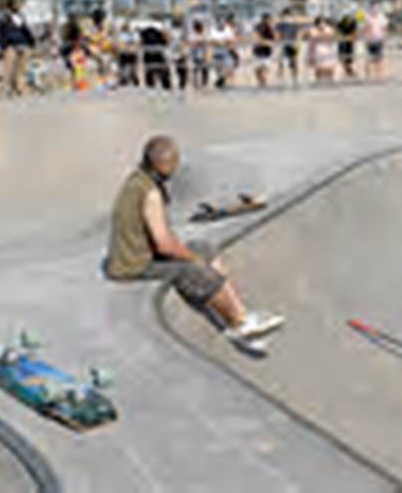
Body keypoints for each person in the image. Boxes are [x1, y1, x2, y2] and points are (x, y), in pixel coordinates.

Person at [105, 136, 285, 347]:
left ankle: (241, 312)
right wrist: (194, 259)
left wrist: (196, 253)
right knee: (192, 268)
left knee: (203, 247)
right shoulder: (151, 193)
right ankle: (239, 324)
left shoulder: (137, 180)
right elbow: (164, 245)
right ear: (168, 166)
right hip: (132, 265)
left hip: (138, 254)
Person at [0, 0, 35, 95]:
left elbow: (26, 30)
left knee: (21, 68)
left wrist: (31, 41)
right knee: (8, 68)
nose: (18, 6)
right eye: (16, 4)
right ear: (11, 6)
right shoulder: (4, 18)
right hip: (10, 45)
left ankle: (20, 88)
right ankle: (8, 87)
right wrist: (1, 47)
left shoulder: (20, 17)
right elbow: (1, 33)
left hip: (22, 44)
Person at [140, 22, 172, 91]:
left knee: (162, 71)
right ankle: (152, 87)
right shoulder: (146, 33)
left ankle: (165, 87)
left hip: (157, 54)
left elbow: (166, 42)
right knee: (150, 72)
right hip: (151, 54)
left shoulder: (158, 32)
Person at [362, 4, 388, 81]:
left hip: (378, 40)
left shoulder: (381, 17)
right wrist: (367, 35)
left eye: (376, 10)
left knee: (379, 59)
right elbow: (365, 28)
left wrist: (384, 37)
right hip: (369, 41)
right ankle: (369, 76)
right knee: (369, 59)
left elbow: (385, 28)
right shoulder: (367, 17)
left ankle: (379, 76)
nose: (374, 11)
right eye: (373, 10)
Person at [276, 9, 301, 86]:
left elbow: (298, 35)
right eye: (285, 16)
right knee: (281, 63)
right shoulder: (280, 25)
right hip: (283, 44)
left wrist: (297, 43)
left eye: (288, 16)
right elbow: (277, 35)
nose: (286, 17)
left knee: (294, 62)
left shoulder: (294, 24)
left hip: (292, 44)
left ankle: (295, 79)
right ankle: (281, 79)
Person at [308, 16, 336, 84]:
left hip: (328, 49)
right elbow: (313, 37)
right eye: (320, 22)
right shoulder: (313, 30)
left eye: (323, 22)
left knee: (330, 67)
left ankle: (330, 82)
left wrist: (321, 33)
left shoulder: (329, 29)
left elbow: (331, 36)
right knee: (319, 68)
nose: (322, 24)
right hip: (318, 50)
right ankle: (318, 82)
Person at [252, 13, 277, 88]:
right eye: (270, 19)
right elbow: (256, 36)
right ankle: (261, 82)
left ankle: (263, 82)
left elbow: (274, 38)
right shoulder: (261, 26)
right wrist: (265, 42)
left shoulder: (269, 27)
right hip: (260, 50)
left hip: (266, 50)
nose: (271, 21)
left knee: (265, 67)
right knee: (261, 67)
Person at [336, 10, 358, 79]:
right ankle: (348, 71)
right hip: (342, 42)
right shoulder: (341, 22)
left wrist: (351, 37)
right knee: (343, 57)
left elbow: (354, 33)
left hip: (349, 42)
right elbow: (338, 32)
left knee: (349, 58)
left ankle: (349, 71)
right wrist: (343, 37)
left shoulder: (353, 22)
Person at [188, 20, 210, 90]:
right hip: (195, 55)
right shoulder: (192, 35)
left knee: (205, 70)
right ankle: (195, 84)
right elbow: (191, 44)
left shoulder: (203, 34)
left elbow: (207, 44)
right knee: (195, 70)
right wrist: (198, 43)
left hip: (203, 55)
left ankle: (204, 84)